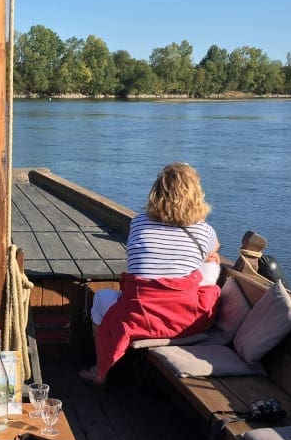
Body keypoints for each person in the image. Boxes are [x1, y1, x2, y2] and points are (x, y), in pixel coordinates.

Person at [81, 162, 222, 384]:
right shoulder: (205, 231)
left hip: (139, 318)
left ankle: (101, 371)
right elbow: (214, 252)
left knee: (100, 298)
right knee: (212, 262)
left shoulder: (139, 222)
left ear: (156, 194)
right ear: (197, 195)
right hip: (186, 322)